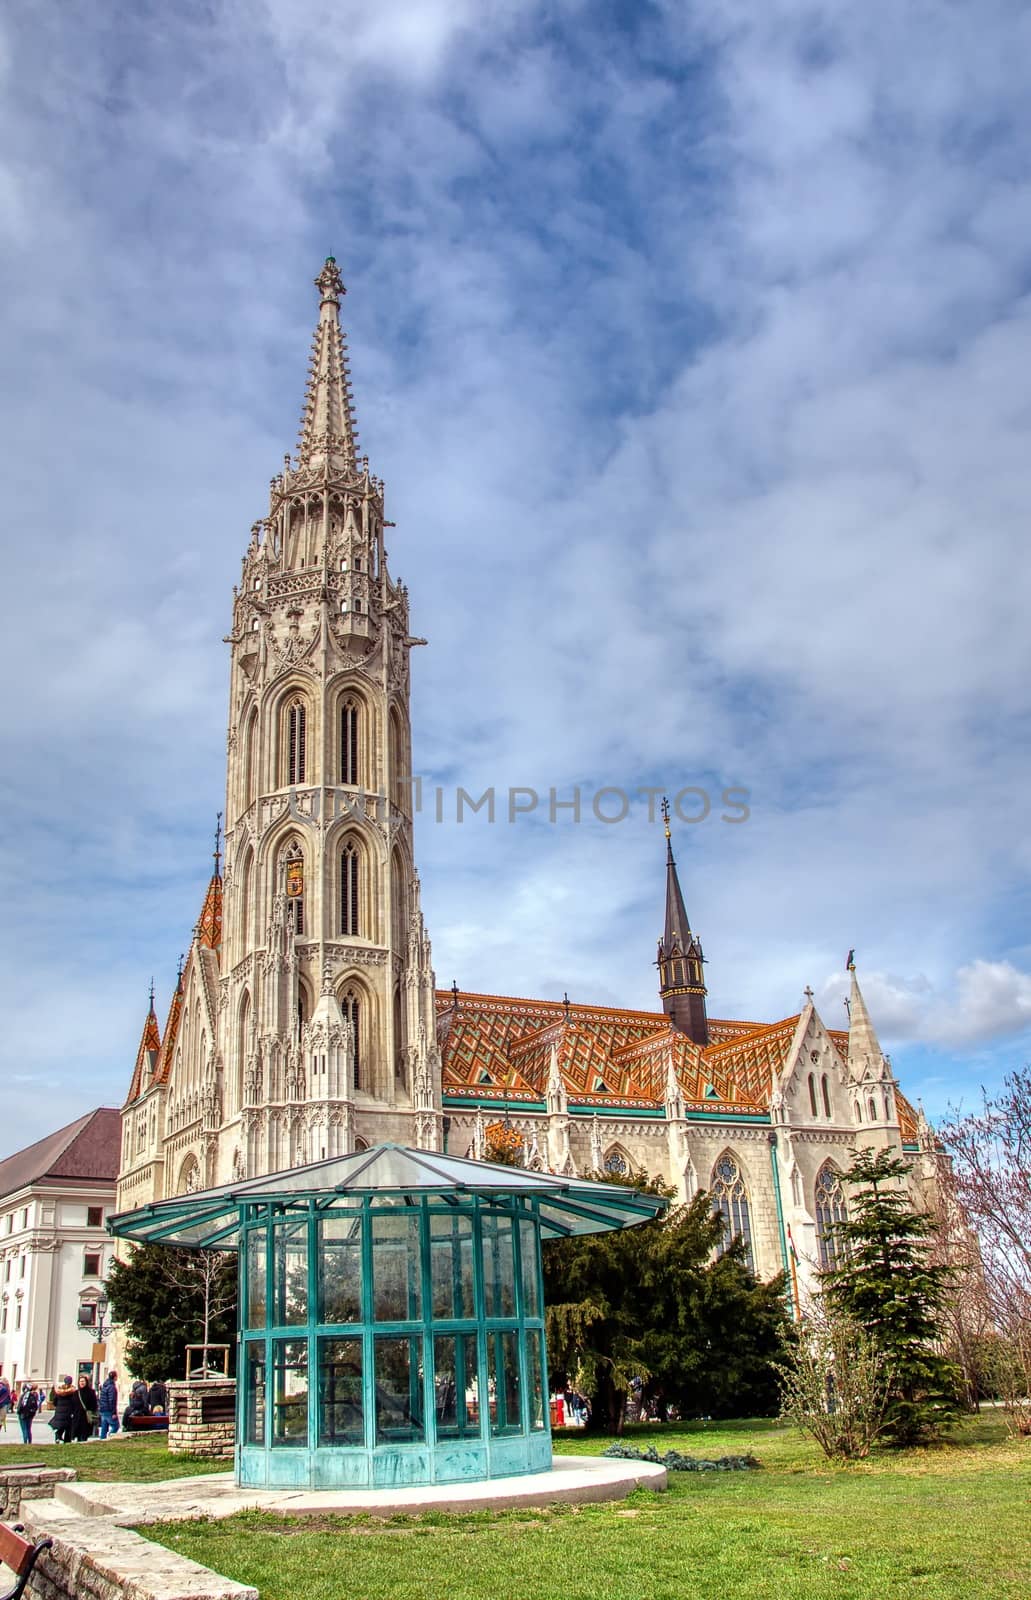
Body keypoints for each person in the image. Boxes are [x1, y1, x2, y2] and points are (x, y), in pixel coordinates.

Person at [51, 1376, 78, 1444]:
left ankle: (58, 1436)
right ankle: (67, 1441)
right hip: (69, 1411)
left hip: (59, 1412)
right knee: (68, 1427)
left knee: (61, 1425)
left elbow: (54, 1402)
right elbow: (75, 1402)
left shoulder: (58, 1392)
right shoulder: (73, 1392)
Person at [75, 1374, 99, 1441]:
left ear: (86, 1382)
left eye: (83, 1381)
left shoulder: (91, 1392)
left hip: (87, 1416)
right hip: (78, 1417)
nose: (82, 1383)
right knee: (78, 1434)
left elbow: (94, 1405)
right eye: (80, 1381)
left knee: (85, 1434)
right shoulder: (76, 1393)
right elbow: (73, 1404)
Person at [98, 1370, 120, 1438]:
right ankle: (110, 1436)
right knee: (116, 1426)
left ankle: (102, 1439)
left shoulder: (104, 1386)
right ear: (115, 1377)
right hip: (109, 1410)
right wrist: (113, 1412)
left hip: (103, 1409)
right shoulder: (112, 1387)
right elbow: (112, 1400)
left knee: (104, 1428)